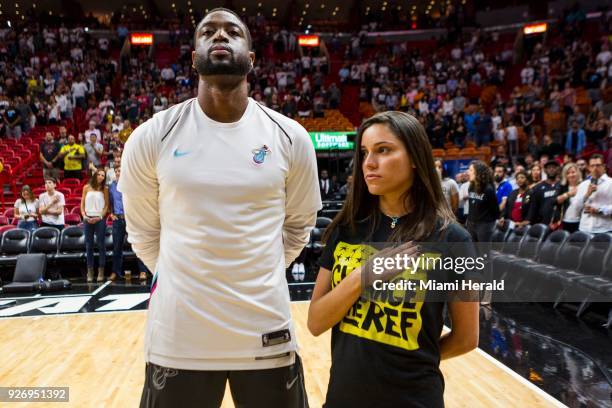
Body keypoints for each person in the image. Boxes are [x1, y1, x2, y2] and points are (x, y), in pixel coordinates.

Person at [119, 8, 320, 407]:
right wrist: (185, 278)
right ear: (194, 58)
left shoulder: (291, 137)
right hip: (178, 338)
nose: (220, 36)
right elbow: (143, 233)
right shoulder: (151, 137)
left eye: (233, 31)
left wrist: (256, 272)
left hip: (267, 332)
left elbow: (299, 226)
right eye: (208, 31)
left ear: (251, 57)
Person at [307, 111, 479, 407]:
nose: (369, 163)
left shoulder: (455, 240)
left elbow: (467, 338)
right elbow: (315, 321)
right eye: (364, 153)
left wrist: (414, 359)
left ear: (415, 157)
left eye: (383, 150)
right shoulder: (346, 228)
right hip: (343, 399)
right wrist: (362, 278)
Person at [81, 167, 109, 282]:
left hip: (100, 219)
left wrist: (100, 217)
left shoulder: (105, 189)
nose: (101, 177)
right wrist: (84, 215)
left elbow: (107, 205)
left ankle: (101, 271)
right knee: (89, 245)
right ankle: (90, 271)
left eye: (103, 175)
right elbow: (82, 204)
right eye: (99, 174)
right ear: (95, 175)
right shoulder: (86, 187)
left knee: (101, 244)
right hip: (87, 218)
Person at [575, 154, 612, 233]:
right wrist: (587, 194)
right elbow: (576, 207)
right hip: (584, 228)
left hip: (604, 229)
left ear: (604, 167)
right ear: (588, 167)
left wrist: (600, 210)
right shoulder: (583, 184)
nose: (595, 168)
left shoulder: (611, 183)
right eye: (592, 166)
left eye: (598, 165)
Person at [466, 161, 500, 242]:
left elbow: (495, 210)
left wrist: (488, 222)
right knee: (473, 252)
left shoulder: (488, 189)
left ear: (478, 172)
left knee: (483, 253)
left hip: (484, 225)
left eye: (470, 170)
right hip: (471, 223)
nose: (468, 172)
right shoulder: (471, 187)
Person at [527, 161, 561, 229]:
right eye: (549, 168)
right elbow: (533, 207)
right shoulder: (538, 187)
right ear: (545, 170)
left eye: (554, 167)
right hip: (542, 223)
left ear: (557, 170)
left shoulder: (562, 186)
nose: (551, 169)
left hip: (558, 224)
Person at [556, 163, 583, 233]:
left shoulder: (584, 185)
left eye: (573, 172)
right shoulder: (562, 187)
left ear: (578, 173)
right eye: (568, 173)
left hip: (581, 222)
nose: (571, 175)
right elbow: (556, 201)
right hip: (565, 221)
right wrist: (568, 194)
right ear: (565, 175)